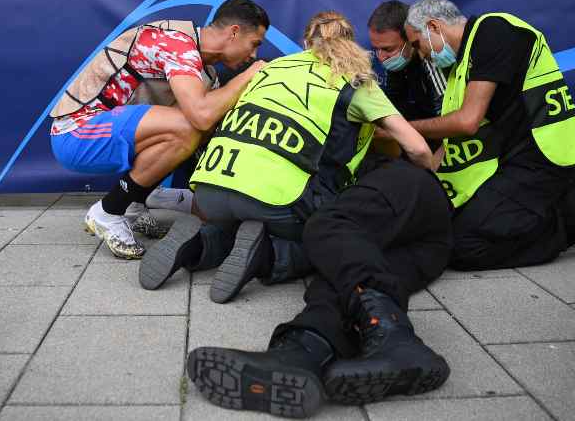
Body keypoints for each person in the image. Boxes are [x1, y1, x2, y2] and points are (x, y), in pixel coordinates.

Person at [141, 11, 434, 304]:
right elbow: (417, 147)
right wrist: (429, 182)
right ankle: (267, 257)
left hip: (209, 193)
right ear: (350, 43)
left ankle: (198, 245)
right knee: (331, 238)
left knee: (240, 221)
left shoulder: (270, 68)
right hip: (277, 200)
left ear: (306, 42)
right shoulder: (355, 81)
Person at [187, 157, 452, 417]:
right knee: (343, 272)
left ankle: (388, 335)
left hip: (411, 183)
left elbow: (417, 150)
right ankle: (307, 353)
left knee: (329, 224)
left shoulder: (377, 121)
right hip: (436, 244)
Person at [50, 0, 270, 259]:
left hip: (107, 132)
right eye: (254, 44)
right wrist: (250, 75)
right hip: (75, 134)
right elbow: (200, 116)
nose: (254, 55)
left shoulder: (206, 73)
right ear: (234, 32)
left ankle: (135, 203)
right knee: (191, 124)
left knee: (205, 124)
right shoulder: (176, 43)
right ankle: (108, 211)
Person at [404, 0, 575, 271]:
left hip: (542, 158)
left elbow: (467, 122)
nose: (421, 55)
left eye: (417, 45)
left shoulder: (493, 31)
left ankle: (563, 222)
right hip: (508, 158)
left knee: (464, 248)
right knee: (450, 232)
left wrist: (403, 129)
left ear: (434, 26)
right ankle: (555, 205)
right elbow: (453, 140)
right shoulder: (463, 60)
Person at [368, 0, 445, 122]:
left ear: (411, 38)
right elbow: (392, 107)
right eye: (376, 49)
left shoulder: (433, 58)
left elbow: (447, 118)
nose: (381, 57)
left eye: (387, 49)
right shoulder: (398, 63)